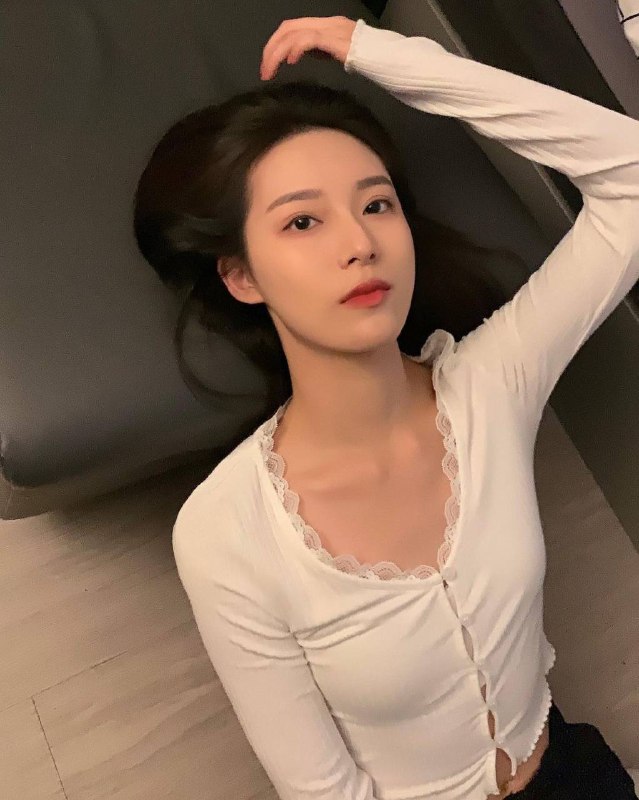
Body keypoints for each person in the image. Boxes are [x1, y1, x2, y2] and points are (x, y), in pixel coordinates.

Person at [133, 15, 639, 800]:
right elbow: (321, 790)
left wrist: (383, 53)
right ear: (241, 276)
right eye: (302, 221)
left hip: (574, 773)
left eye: (376, 205)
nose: (360, 243)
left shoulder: (488, 386)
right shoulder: (225, 532)